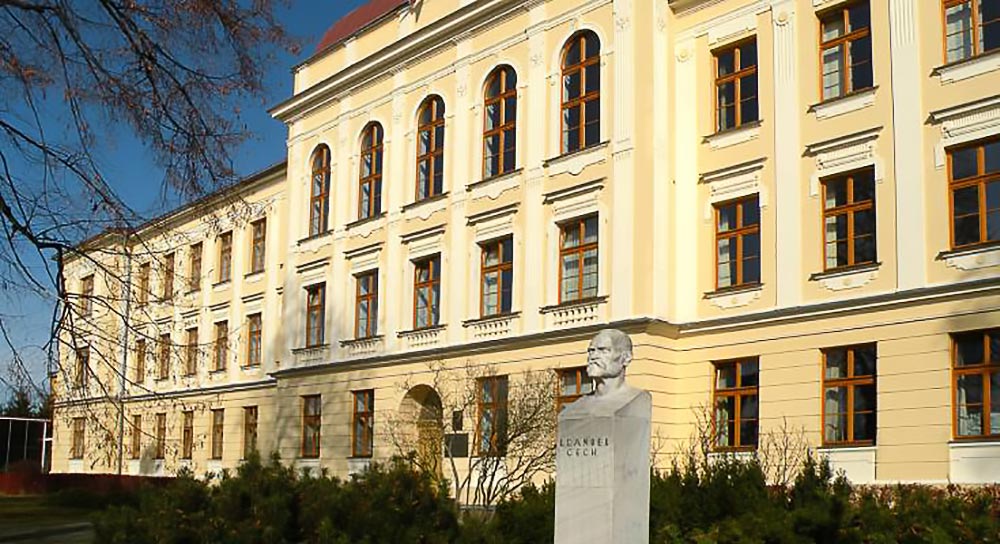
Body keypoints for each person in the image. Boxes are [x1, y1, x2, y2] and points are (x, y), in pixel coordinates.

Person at [585, 329, 636, 399]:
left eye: (603, 350)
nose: (593, 356)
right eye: (591, 351)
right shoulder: (576, 406)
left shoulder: (636, 399)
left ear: (626, 358)